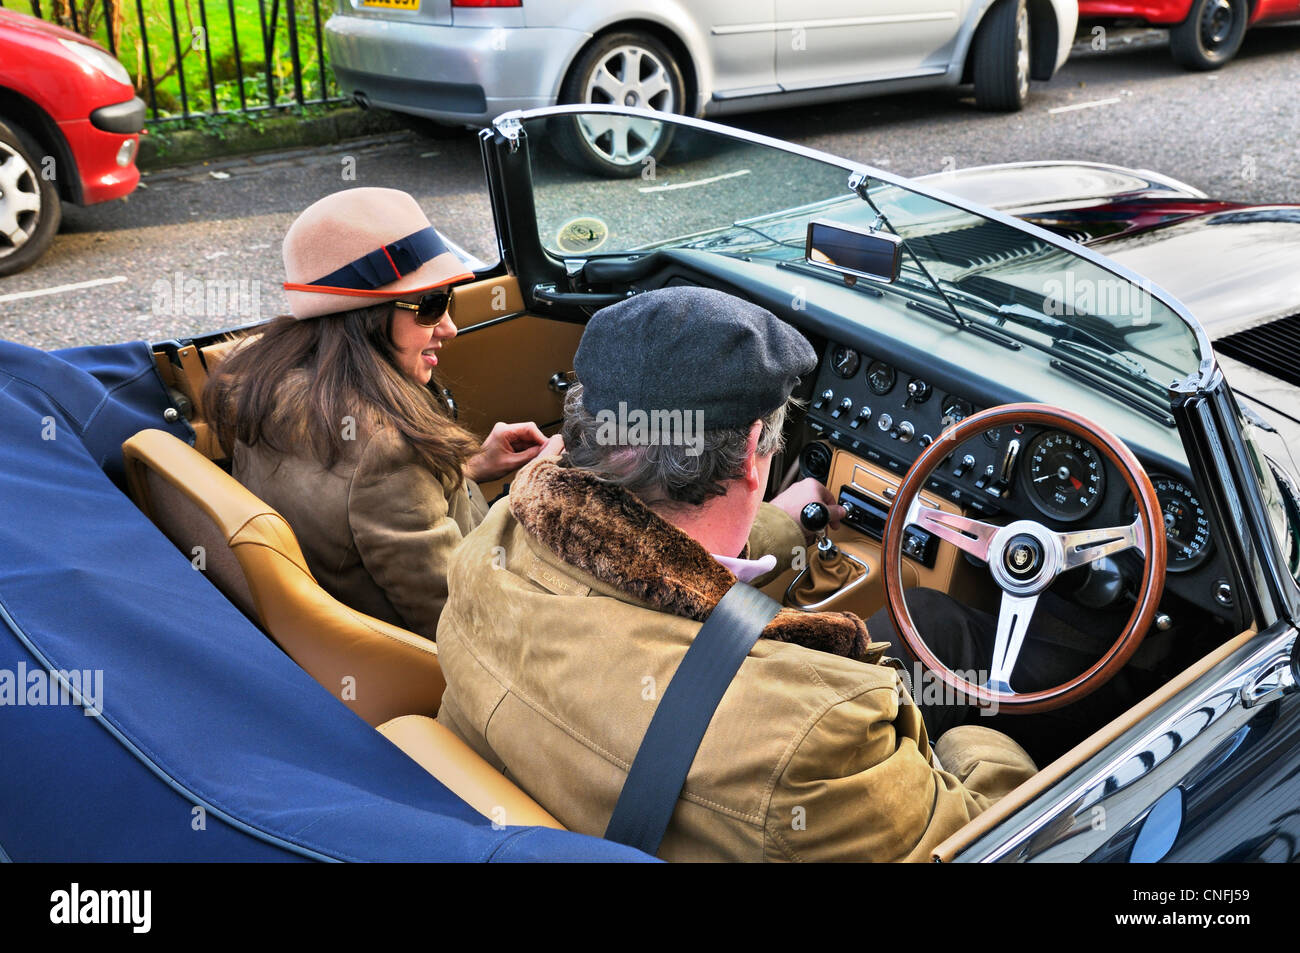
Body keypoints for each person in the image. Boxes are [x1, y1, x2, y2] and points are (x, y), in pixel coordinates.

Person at [434, 286, 1037, 862]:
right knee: (958, 655)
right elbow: (997, 841)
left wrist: (783, 524)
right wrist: (980, 745)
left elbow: (656, 556)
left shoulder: (495, 537)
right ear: (752, 453)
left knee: (935, 626)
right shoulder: (820, 736)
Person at [205, 187, 547, 639]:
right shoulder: (388, 449)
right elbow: (466, 621)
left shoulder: (264, 380)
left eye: (449, 300)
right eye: (430, 305)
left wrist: (470, 467)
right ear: (361, 316)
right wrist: (534, 499)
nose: (450, 327)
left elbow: (357, 506)